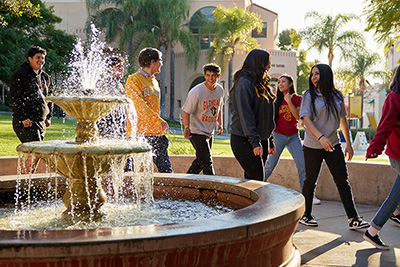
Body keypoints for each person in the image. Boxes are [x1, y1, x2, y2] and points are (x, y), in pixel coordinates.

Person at [299, 63, 369, 229]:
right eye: (312, 74)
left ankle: (353, 219)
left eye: (317, 74)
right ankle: (306, 215)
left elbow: (343, 121)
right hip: (312, 145)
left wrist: (349, 145)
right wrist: (320, 137)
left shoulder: (337, 95)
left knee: (342, 181)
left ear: (325, 75)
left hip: (333, 144)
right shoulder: (309, 95)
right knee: (310, 180)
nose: (313, 77)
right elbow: (306, 120)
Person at [264, 74, 321, 205]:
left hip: (293, 136)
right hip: (278, 135)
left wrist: (289, 101)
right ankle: (254, 189)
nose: (280, 84)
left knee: (302, 165)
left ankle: (308, 195)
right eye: (279, 82)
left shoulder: (298, 99)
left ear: (290, 84)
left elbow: (297, 117)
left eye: (283, 82)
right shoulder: (275, 100)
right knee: (270, 165)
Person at [363, 66, 400, 250]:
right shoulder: (394, 98)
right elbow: (385, 125)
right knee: (395, 195)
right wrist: (375, 147)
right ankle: (372, 231)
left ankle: (398, 212)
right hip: (399, 154)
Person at [229, 49, 276, 181]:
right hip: (244, 139)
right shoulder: (244, 83)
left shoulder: (261, 83)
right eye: (267, 63)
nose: (269, 66)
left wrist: (270, 140)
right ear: (258, 63)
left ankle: (246, 202)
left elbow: (267, 115)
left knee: (251, 181)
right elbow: (246, 115)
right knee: (257, 180)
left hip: (261, 139)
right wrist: (255, 142)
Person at [125, 47, 173, 173]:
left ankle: (171, 193)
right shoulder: (133, 80)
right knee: (130, 171)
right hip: (138, 133)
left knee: (166, 170)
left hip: (156, 133)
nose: (161, 63)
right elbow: (138, 106)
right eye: (160, 60)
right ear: (152, 62)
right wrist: (159, 121)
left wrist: (157, 123)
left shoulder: (154, 81)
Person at [10, 45, 54, 173]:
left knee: (34, 152)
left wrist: (48, 116)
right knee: (37, 150)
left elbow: (50, 98)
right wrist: (23, 117)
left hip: (41, 121)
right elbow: (15, 98)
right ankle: (25, 176)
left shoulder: (46, 77)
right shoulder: (20, 74)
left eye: (43, 58)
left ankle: (26, 176)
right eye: (38, 57)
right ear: (30, 58)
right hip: (25, 121)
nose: (41, 60)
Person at [182, 63, 224, 175]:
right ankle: (213, 189)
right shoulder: (196, 92)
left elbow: (218, 107)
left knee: (200, 162)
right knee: (207, 162)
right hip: (196, 131)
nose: (210, 78)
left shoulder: (220, 90)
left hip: (209, 131)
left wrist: (220, 123)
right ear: (204, 75)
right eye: (208, 75)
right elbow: (186, 112)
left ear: (218, 76)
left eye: (213, 75)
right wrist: (186, 128)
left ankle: (185, 184)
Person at [97, 56, 126, 139]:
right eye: (118, 67)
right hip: (108, 121)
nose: (122, 69)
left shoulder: (119, 84)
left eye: (122, 67)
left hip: (119, 121)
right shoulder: (105, 83)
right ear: (110, 69)